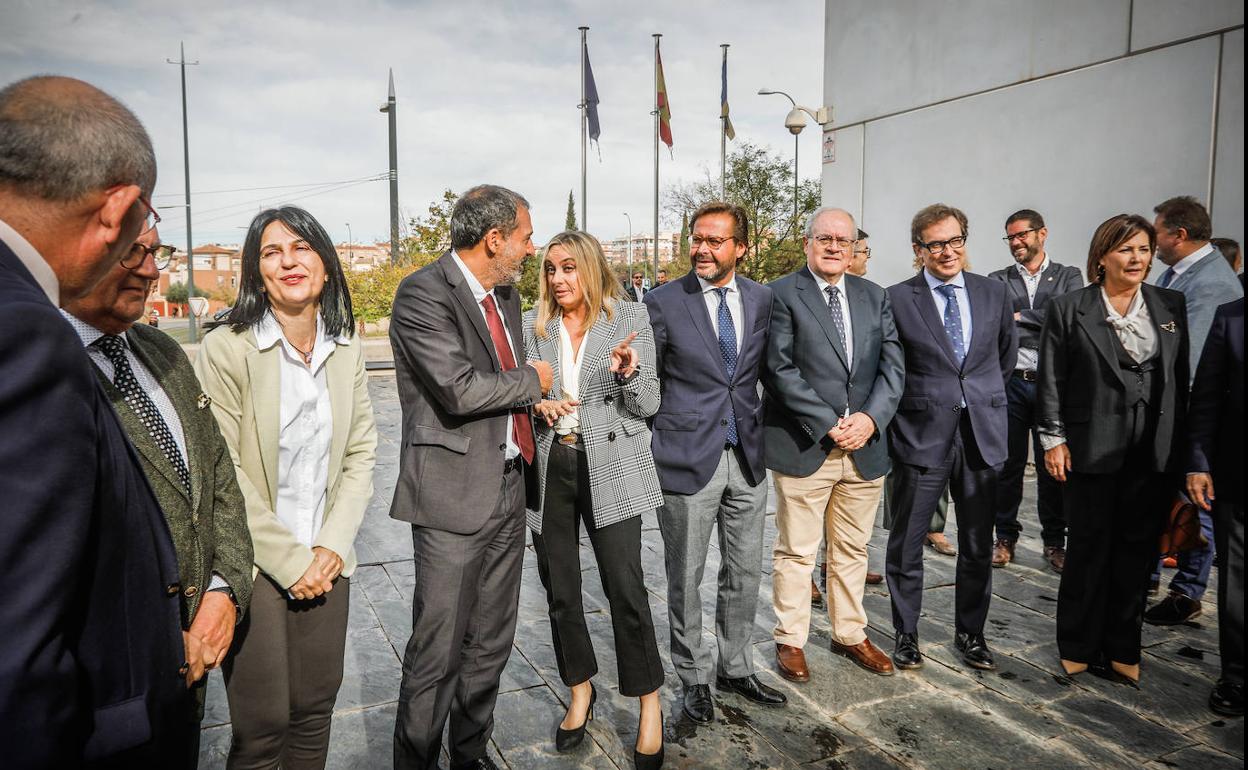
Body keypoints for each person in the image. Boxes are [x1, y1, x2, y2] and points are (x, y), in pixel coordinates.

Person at [0, 74, 188, 767]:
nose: (142, 261)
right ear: (118, 209)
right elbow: (17, 657)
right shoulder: (26, 332)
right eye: (143, 231)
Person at [63, 225, 255, 767]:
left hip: (184, 691)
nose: (151, 270)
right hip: (97, 711)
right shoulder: (39, 368)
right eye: (131, 252)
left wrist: (222, 592)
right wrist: (156, 642)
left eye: (156, 252)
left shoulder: (161, 350)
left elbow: (217, 479)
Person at [194, 205, 377, 769]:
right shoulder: (228, 348)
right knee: (263, 727)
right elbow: (224, 471)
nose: (288, 261)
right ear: (256, 270)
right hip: (255, 563)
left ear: (325, 261)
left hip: (327, 559)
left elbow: (360, 453)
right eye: (271, 252)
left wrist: (329, 548)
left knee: (315, 709)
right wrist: (292, 562)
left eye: (300, 247)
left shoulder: (345, 347)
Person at [389, 185, 549, 770]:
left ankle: (470, 753)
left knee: (490, 644)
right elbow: (458, 390)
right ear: (495, 239)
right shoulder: (423, 293)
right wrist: (536, 379)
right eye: (527, 237)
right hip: (452, 500)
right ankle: (417, 760)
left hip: (509, 487)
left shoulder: (503, 296)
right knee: (437, 653)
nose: (531, 250)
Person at [522, 230, 666, 767]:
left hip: (614, 466)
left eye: (568, 268)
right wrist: (538, 406)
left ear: (590, 268)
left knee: (625, 587)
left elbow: (648, 403)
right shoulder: (534, 327)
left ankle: (649, 703)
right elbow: (526, 393)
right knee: (560, 586)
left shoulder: (628, 319)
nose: (559, 280)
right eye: (551, 270)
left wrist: (629, 373)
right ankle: (579, 688)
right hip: (552, 464)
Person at [644, 201, 786, 724]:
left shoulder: (762, 298)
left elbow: (770, 370)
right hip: (686, 458)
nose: (701, 249)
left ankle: (736, 665)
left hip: (747, 455)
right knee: (685, 575)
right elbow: (646, 380)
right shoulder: (662, 300)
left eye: (715, 241)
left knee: (745, 570)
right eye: (696, 239)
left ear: (740, 249)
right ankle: (694, 675)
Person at [1038, 213, 1188, 684]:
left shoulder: (1170, 305)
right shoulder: (1071, 307)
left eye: (1143, 249)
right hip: (1090, 446)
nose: (1137, 258)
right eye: (1126, 249)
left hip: (1152, 451)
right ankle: (1078, 644)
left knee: (1136, 553)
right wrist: (1053, 439)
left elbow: (1178, 380)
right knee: (1087, 549)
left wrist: (1181, 451)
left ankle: (1123, 645)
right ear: (1102, 256)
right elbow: (1051, 378)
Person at [763, 207, 904, 680]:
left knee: (853, 550)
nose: (833, 246)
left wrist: (870, 419)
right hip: (806, 447)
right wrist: (828, 423)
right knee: (797, 552)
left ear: (854, 248)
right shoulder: (782, 294)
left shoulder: (874, 296)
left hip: (865, 448)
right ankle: (791, 639)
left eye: (842, 240)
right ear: (807, 243)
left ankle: (849, 633)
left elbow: (893, 368)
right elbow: (779, 369)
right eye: (823, 238)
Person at [885, 203, 1017, 672]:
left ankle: (972, 633)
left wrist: (979, 401)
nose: (947, 251)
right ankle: (906, 632)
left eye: (955, 240)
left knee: (979, 543)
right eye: (936, 243)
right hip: (922, 435)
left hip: (982, 434)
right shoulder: (897, 298)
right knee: (906, 542)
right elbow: (892, 368)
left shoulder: (994, 293)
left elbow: (1003, 359)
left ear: (965, 240)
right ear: (918, 250)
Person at [1144, 196, 1242, 626]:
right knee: (1169, 504)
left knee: (1194, 506)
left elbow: (1196, 364)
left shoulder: (1212, 284)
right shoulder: (1181, 271)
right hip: (1169, 415)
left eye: (1158, 233)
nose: (1153, 242)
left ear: (1179, 235)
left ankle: (1187, 591)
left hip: (1188, 420)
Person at [988, 209, 1083, 572]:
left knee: (1053, 467)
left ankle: (1054, 541)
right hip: (1012, 382)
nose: (1016, 242)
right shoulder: (998, 279)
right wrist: (1039, 319)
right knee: (1008, 465)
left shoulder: (1069, 276)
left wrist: (1019, 317)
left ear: (1042, 233)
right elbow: (996, 322)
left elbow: (1068, 317)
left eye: (1022, 235)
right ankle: (1005, 536)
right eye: (1010, 237)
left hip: (1052, 386)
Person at [1186, 297, 1244, 715]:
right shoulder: (1232, 317)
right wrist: (1199, 464)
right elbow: (1207, 395)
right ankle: (1237, 676)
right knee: (1238, 583)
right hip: (1238, 475)